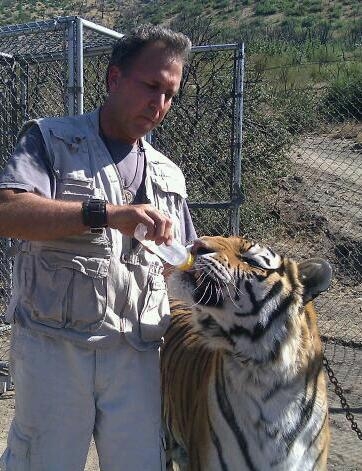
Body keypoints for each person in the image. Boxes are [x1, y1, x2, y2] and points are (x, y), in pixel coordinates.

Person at [0, 24, 196, 471]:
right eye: (151, 86)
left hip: (138, 355)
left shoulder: (169, 175)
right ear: (113, 79)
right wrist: (104, 214)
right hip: (55, 348)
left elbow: (181, 262)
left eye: (170, 94)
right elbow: (7, 211)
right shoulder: (51, 140)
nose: (159, 104)